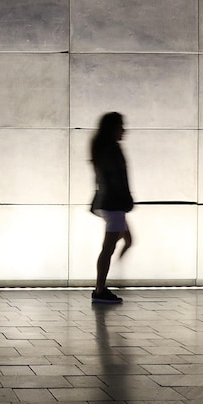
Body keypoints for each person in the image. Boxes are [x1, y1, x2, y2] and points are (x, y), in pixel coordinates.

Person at [90, 112, 133, 304]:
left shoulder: (103, 148)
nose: (124, 130)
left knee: (125, 241)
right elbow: (116, 179)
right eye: (120, 126)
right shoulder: (111, 149)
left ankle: (106, 283)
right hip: (114, 203)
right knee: (109, 247)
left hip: (111, 203)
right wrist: (126, 199)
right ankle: (101, 288)